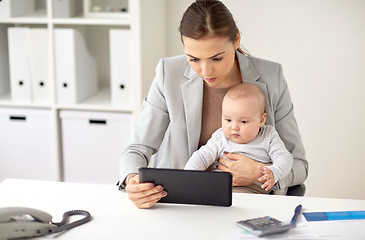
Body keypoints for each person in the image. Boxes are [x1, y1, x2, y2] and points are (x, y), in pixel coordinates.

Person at [118, 0, 308, 209]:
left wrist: (259, 173)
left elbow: (299, 165)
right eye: (193, 59)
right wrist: (132, 180)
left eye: (217, 58)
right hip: (185, 203)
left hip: (254, 204)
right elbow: (137, 148)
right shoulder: (168, 73)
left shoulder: (272, 77)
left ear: (236, 39)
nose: (206, 71)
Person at [184, 82, 293, 193]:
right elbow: (202, 156)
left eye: (243, 121)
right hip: (218, 187)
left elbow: (284, 157)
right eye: (228, 120)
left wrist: (274, 171)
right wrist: (189, 175)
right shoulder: (220, 136)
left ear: (261, 120)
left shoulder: (268, 136)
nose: (234, 127)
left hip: (252, 190)